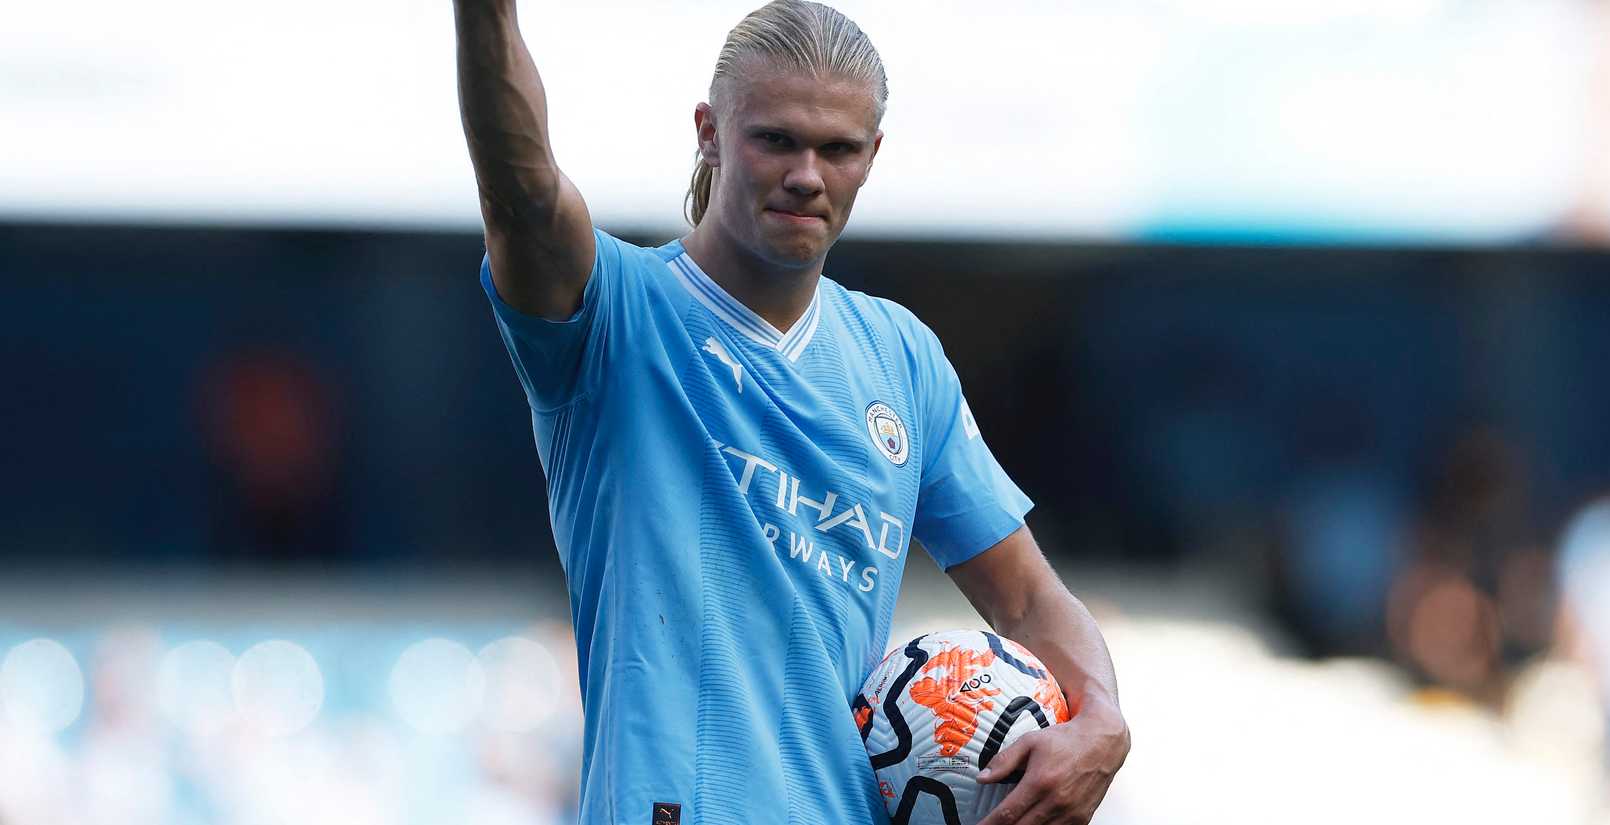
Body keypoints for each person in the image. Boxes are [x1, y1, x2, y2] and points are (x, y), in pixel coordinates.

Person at [452, 1, 1129, 823]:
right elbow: (521, 192)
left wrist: (1100, 720)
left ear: (871, 156)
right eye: (775, 139)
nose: (807, 172)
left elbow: (1026, 599)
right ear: (708, 132)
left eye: (838, 148)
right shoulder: (614, 315)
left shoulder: (901, 358)